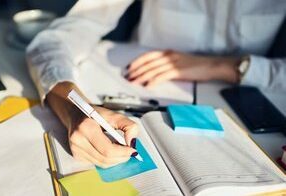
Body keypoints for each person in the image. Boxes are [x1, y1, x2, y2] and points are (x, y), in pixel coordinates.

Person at [26, 1, 286, 168]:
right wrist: (73, 109)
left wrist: (225, 66)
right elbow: (55, 40)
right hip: (136, 96)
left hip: (248, 120)